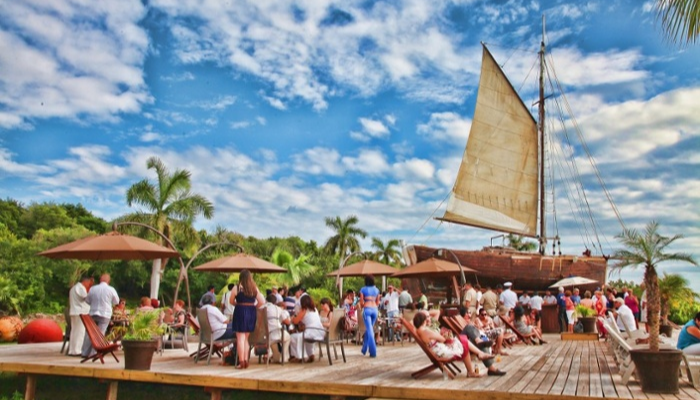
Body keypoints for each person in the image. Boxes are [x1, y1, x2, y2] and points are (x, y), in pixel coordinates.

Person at [413, 311, 492, 377]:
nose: (429, 318)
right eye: (427, 317)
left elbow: (437, 313)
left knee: (463, 340)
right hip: (442, 352)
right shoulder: (426, 331)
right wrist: (444, 336)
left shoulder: (420, 330)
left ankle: (478, 357)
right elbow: (442, 339)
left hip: (439, 349)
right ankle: (478, 357)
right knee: (463, 341)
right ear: (424, 320)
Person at [229, 269, 266, 369]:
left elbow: (231, 301)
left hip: (240, 310)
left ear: (240, 277)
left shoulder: (236, 288)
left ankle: (242, 362)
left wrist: (237, 304)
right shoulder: (254, 288)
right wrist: (254, 307)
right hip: (251, 312)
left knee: (240, 338)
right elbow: (262, 301)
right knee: (246, 338)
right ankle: (246, 361)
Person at [81, 274, 119, 358]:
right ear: (108, 281)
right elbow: (116, 302)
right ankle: (94, 353)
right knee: (101, 333)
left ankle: (84, 352)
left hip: (93, 312)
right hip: (105, 314)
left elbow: (87, 300)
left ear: (100, 280)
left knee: (89, 333)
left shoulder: (93, 288)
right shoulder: (111, 289)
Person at [459, 311, 507, 375]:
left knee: (482, 344)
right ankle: (491, 368)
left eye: (470, 313)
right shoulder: (462, 321)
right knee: (469, 327)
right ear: (463, 315)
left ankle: (491, 368)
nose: (469, 315)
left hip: (470, 340)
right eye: (467, 313)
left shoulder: (468, 321)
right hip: (462, 343)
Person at [289, 295, 324, 362]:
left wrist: (293, 318)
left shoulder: (304, 310)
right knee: (303, 336)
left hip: (311, 332)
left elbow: (295, 321)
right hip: (320, 332)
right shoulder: (315, 309)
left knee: (292, 337)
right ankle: (311, 354)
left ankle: (299, 356)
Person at [68, 276, 93, 356]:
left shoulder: (73, 288)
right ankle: (77, 350)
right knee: (80, 332)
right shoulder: (80, 288)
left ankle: (72, 350)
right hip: (80, 312)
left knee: (74, 331)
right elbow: (86, 298)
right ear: (85, 281)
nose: (88, 285)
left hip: (75, 311)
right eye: (89, 283)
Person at [264, 294, 290, 363]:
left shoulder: (260, 308)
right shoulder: (277, 309)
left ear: (266, 300)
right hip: (275, 333)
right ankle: (283, 358)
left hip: (263, 336)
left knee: (273, 339)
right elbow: (287, 321)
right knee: (287, 337)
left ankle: (276, 357)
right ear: (275, 302)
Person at [359, 275, 380, 358]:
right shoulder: (377, 290)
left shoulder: (363, 289)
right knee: (370, 329)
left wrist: (364, 304)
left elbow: (361, 303)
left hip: (367, 309)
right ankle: (364, 349)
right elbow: (378, 302)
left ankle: (373, 351)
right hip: (375, 310)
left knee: (370, 330)